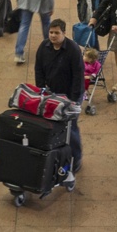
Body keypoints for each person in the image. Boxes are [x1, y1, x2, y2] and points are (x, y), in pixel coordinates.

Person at [33, 19, 86, 177]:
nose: (53, 36)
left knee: (71, 127)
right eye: (51, 32)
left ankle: (76, 159)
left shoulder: (73, 50)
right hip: (52, 95)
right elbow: (39, 70)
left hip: (71, 96)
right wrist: (42, 91)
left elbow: (78, 76)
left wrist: (74, 101)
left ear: (64, 33)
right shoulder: (44, 47)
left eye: (57, 33)